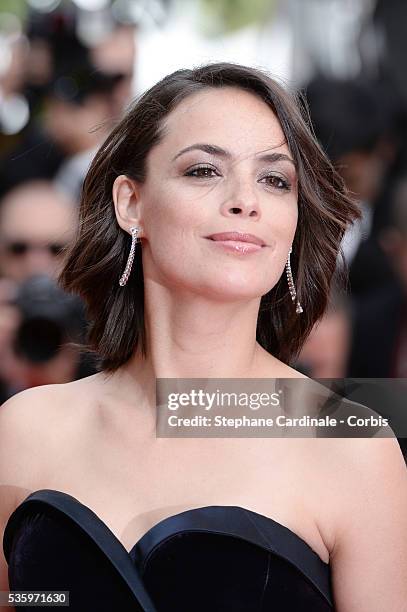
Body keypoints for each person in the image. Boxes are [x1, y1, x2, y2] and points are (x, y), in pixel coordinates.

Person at [0, 62, 406, 611]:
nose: (246, 200)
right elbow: (29, 602)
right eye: (203, 171)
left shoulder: (351, 445)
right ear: (131, 203)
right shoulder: (24, 430)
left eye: (275, 179)